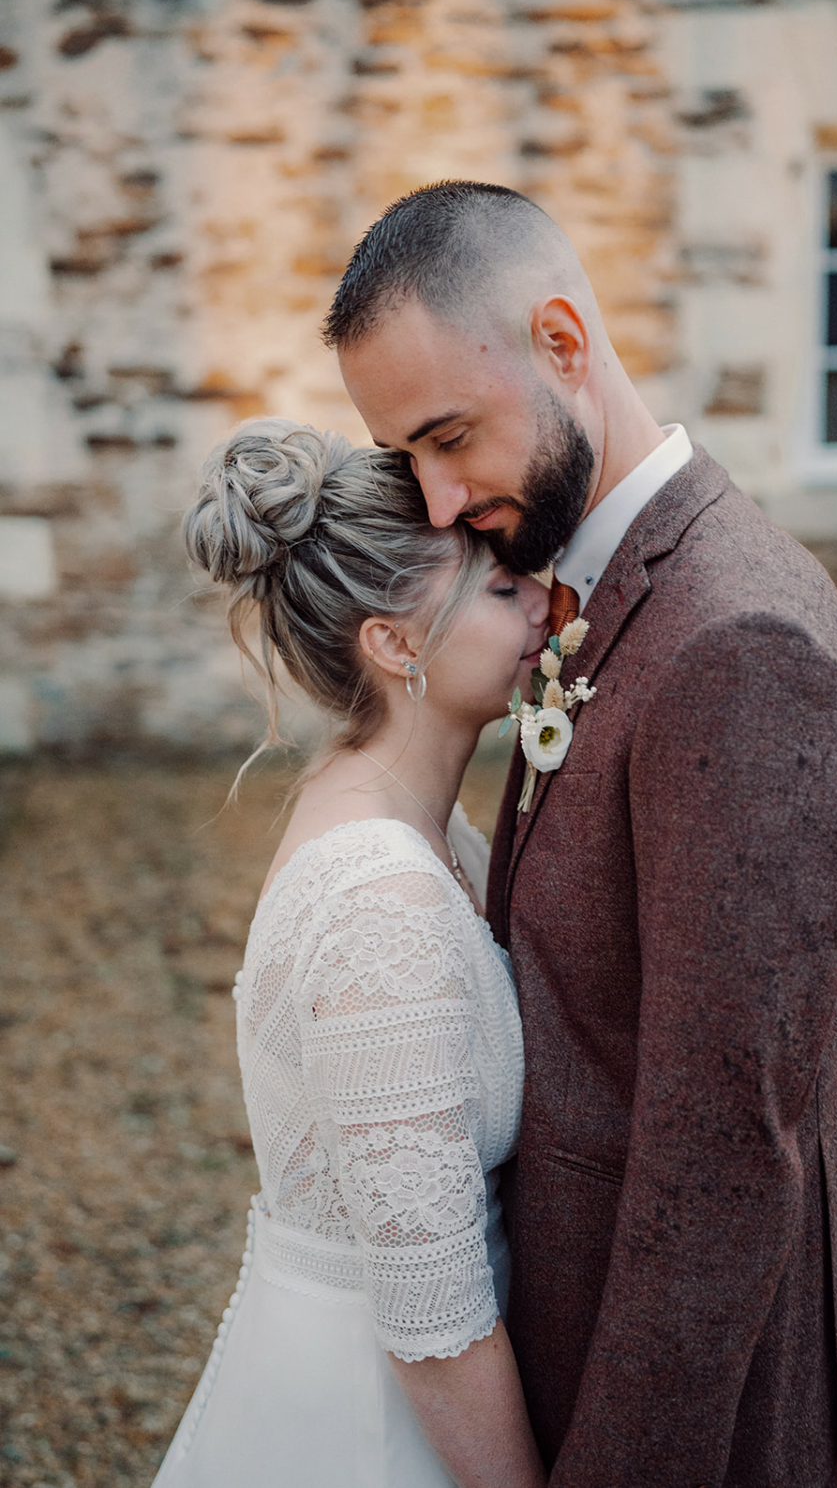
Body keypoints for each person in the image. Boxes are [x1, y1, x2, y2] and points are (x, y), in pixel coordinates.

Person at [324, 180, 837, 1487]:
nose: (434, 503)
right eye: (407, 457)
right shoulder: (600, 582)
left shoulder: (740, 647)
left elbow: (723, 1155)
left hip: (689, 1414)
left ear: (563, 342)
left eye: (449, 437)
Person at [152, 417, 549, 1488]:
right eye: (501, 589)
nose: (545, 604)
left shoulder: (416, 818)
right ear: (395, 644)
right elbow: (434, 1320)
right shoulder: (381, 900)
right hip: (373, 1422)